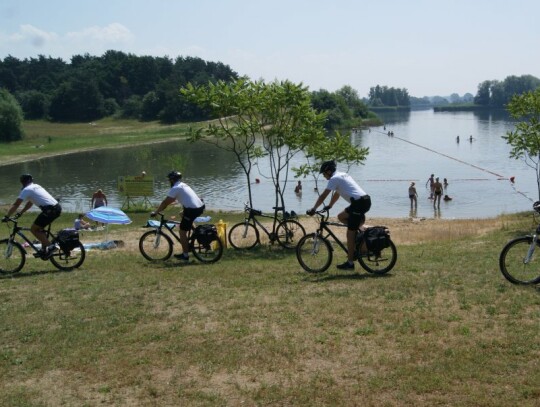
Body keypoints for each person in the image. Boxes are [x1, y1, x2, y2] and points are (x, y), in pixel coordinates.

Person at [308, 160, 371, 270]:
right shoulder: (342, 175)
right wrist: (330, 205)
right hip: (364, 200)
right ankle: (360, 230)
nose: (323, 175)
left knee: (350, 234)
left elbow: (323, 195)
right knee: (341, 216)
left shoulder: (334, 178)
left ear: (329, 171)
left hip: (358, 204)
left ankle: (350, 263)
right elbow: (338, 193)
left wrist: (314, 209)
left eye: (323, 173)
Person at [151, 170, 205, 262]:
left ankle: (185, 255)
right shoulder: (183, 185)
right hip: (200, 206)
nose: (169, 182)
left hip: (192, 210)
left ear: (172, 180)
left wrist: (156, 212)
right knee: (181, 213)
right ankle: (195, 232)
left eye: (169, 180)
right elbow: (181, 197)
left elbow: (165, 202)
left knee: (182, 232)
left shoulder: (175, 188)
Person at [3, 174, 62, 258]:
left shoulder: (26, 190)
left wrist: (7, 216)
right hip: (55, 208)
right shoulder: (36, 186)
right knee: (40, 229)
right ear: (31, 180)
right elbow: (30, 202)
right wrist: (21, 212)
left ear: (22, 182)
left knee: (33, 229)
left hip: (50, 210)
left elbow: (16, 204)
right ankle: (43, 250)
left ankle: (51, 247)